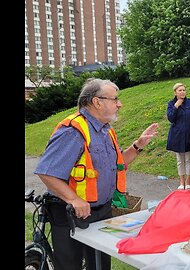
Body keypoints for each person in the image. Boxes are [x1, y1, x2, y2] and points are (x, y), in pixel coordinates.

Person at [34, 78, 159, 270]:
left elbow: (118, 164)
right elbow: (47, 172)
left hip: (101, 213)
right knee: (70, 266)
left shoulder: (105, 130)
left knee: (99, 265)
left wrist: (138, 145)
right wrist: (74, 199)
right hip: (71, 215)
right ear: (97, 102)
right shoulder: (73, 131)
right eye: (115, 99)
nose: (120, 104)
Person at [166, 82, 190, 190]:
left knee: (188, 159)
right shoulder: (171, 104)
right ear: (175, 92)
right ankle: (181, 182)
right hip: (177, 136)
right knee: (180, 160)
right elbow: (171, 118)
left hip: (189, 135)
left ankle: (188, 182)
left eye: (183, 90)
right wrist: (176, 106)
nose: (182, 92)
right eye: (180, 90)